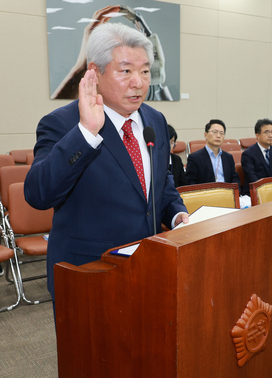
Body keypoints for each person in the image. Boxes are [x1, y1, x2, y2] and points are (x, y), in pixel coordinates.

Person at [24, 23, 188, 303]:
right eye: (125, 71)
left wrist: (176, 214)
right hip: (89, 273)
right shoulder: (62, 123)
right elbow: (39, 194)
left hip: (149, 267)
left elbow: (160, 182)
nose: (138, 82)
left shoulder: (156, 121)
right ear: (94, 72)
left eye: (145, 71)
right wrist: (86, 133)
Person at [241, 119, 272, 195]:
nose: (270, 135)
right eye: (267, 132)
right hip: (253, 194)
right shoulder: (248, 154)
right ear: (257, 135)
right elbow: (253, 180)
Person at [185, 119, 240, 186]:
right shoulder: (195, 158)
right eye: (215, 132)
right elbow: (190, 181)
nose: (218, 136)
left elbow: (234, 178)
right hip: (206, 194)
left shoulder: (228, 157)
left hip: (227, 193)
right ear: (205, 135)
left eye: (221, 133)